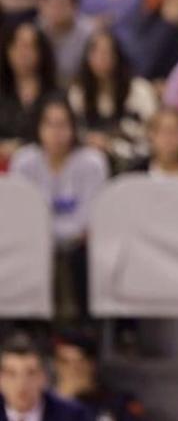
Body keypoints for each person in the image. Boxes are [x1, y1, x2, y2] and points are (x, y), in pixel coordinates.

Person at [10, 98, 109, 323]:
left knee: (86, 256)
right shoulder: (25, 161)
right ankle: (26, 331)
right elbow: (20, 215)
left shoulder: (92, 163)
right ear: (38, 127)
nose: (56, 133)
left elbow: (89, 219)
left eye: (62, 124)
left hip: (78, 246)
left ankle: (87, 330)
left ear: (74, 128)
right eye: (49, 124)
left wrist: (55, 235)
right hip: (33, 244)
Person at [68, 30, 159, 173]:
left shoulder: (139, 90)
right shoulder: (78, 93)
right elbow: (74, 131)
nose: (102, 58)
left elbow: (150, 131)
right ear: (87, 57)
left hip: (133, 157)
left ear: (117, 55)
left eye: (107, 52)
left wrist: (111, 144)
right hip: (91, 159)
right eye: (96, 52)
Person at [52, 332, 150, 421]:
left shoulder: (119, 405)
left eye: (80, 362)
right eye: (65, 362)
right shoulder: (42, 405)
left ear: (92, 365)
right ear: (57, 366)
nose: (73, 370)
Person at [0, 333, 97, 421]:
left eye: (31, 373)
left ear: (43, 377)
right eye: (11, 374)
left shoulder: (73, 418)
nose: (21, 383)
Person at [0, 22, 58, 164]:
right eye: (17, 46)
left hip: (43, 165)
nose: (23, 53)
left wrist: (21, 148)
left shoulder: (55, 96)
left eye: (29, 46)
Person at [33, 0, 94, 89]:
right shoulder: (33, 31)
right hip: (43, 90)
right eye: (50, 4)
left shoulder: (90, 34)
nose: (55, 10)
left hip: (80, 88)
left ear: (75, 6)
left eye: (61, 4)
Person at [127, 107, 178, 175]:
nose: (169, 139)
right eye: (164, 132)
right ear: (151, 135)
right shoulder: (135, 173)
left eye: (174, 132)